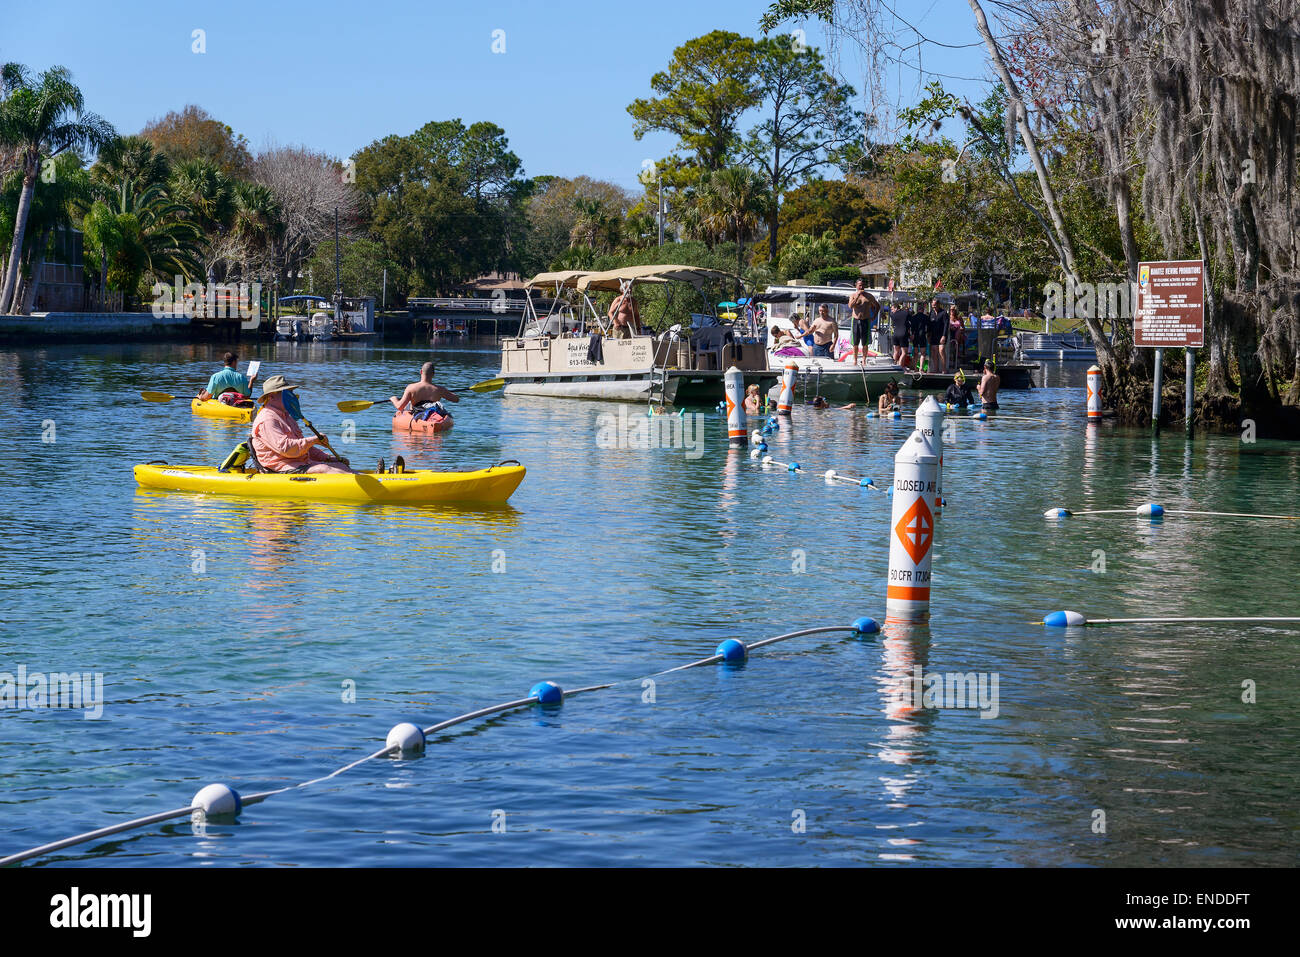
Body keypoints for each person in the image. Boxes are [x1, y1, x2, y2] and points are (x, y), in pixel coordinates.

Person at [251, 375, 355, 474]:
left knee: (341, 465)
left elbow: (303, 448)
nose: (292, 396)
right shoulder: (267, 419)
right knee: (324, 469)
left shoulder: (287, 416)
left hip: (300, 463)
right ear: (271, 396)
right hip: (280, 468)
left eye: (291, 392)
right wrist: (313, 440)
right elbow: (286, 449)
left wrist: (327, 458)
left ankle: (364, 480)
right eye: (287, 393)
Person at [390, 362, 461, 417]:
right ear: (433, 374)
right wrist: (446, 392)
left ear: (421, 372)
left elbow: (400, 407)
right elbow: (456, 399)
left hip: (417, 414)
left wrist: (394, 399)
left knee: (407, 406)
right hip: (432, 414)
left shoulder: (411, 387)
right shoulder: (440, 389)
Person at [847, 279, 880, 366]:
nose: (862, 287)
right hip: (855, 320)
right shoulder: (853, 295)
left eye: (863, 285)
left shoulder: (869, 296)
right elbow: (850, 306)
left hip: (866, 320)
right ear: (856, 286)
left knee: (865, 343)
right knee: (855, 343)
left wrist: (874, 316)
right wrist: (857, 296)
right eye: (860, 285)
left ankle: (864, 360)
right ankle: (855, 360)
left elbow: (877, 306)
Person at [928, 299, 946, 373]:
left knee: (941, 351)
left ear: (939, 304)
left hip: (941, 335)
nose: (934, 307)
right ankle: (936, 369)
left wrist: (944, 336)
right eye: (933, 305)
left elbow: (946, 325)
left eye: (935, 305)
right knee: (934, 352)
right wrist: (928, 335)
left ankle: (944, 369)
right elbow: (929, 325)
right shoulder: (931, 313)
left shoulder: (944, 313)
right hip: (933, 335)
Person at [909, 305, 929, 370]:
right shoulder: (926, 317)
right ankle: (921, 368)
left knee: (915, 353)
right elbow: (928, 327)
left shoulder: (913, 317)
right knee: (923, 354)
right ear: (923, 310)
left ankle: (915, 368)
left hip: (915, 336)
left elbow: (911, 328)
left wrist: (912, 335)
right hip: (922, 335)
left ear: (917, 310)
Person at [946, 305, 964, 371]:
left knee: (958, 332)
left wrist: (959, 328)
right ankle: (953, 355)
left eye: (953, 309)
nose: (952, 311)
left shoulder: (959, 318)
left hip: (958, 334)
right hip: (950, 333)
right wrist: (951, 327)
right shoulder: (948, 317)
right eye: (951, 309)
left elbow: (963, 328)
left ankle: (956, 354)